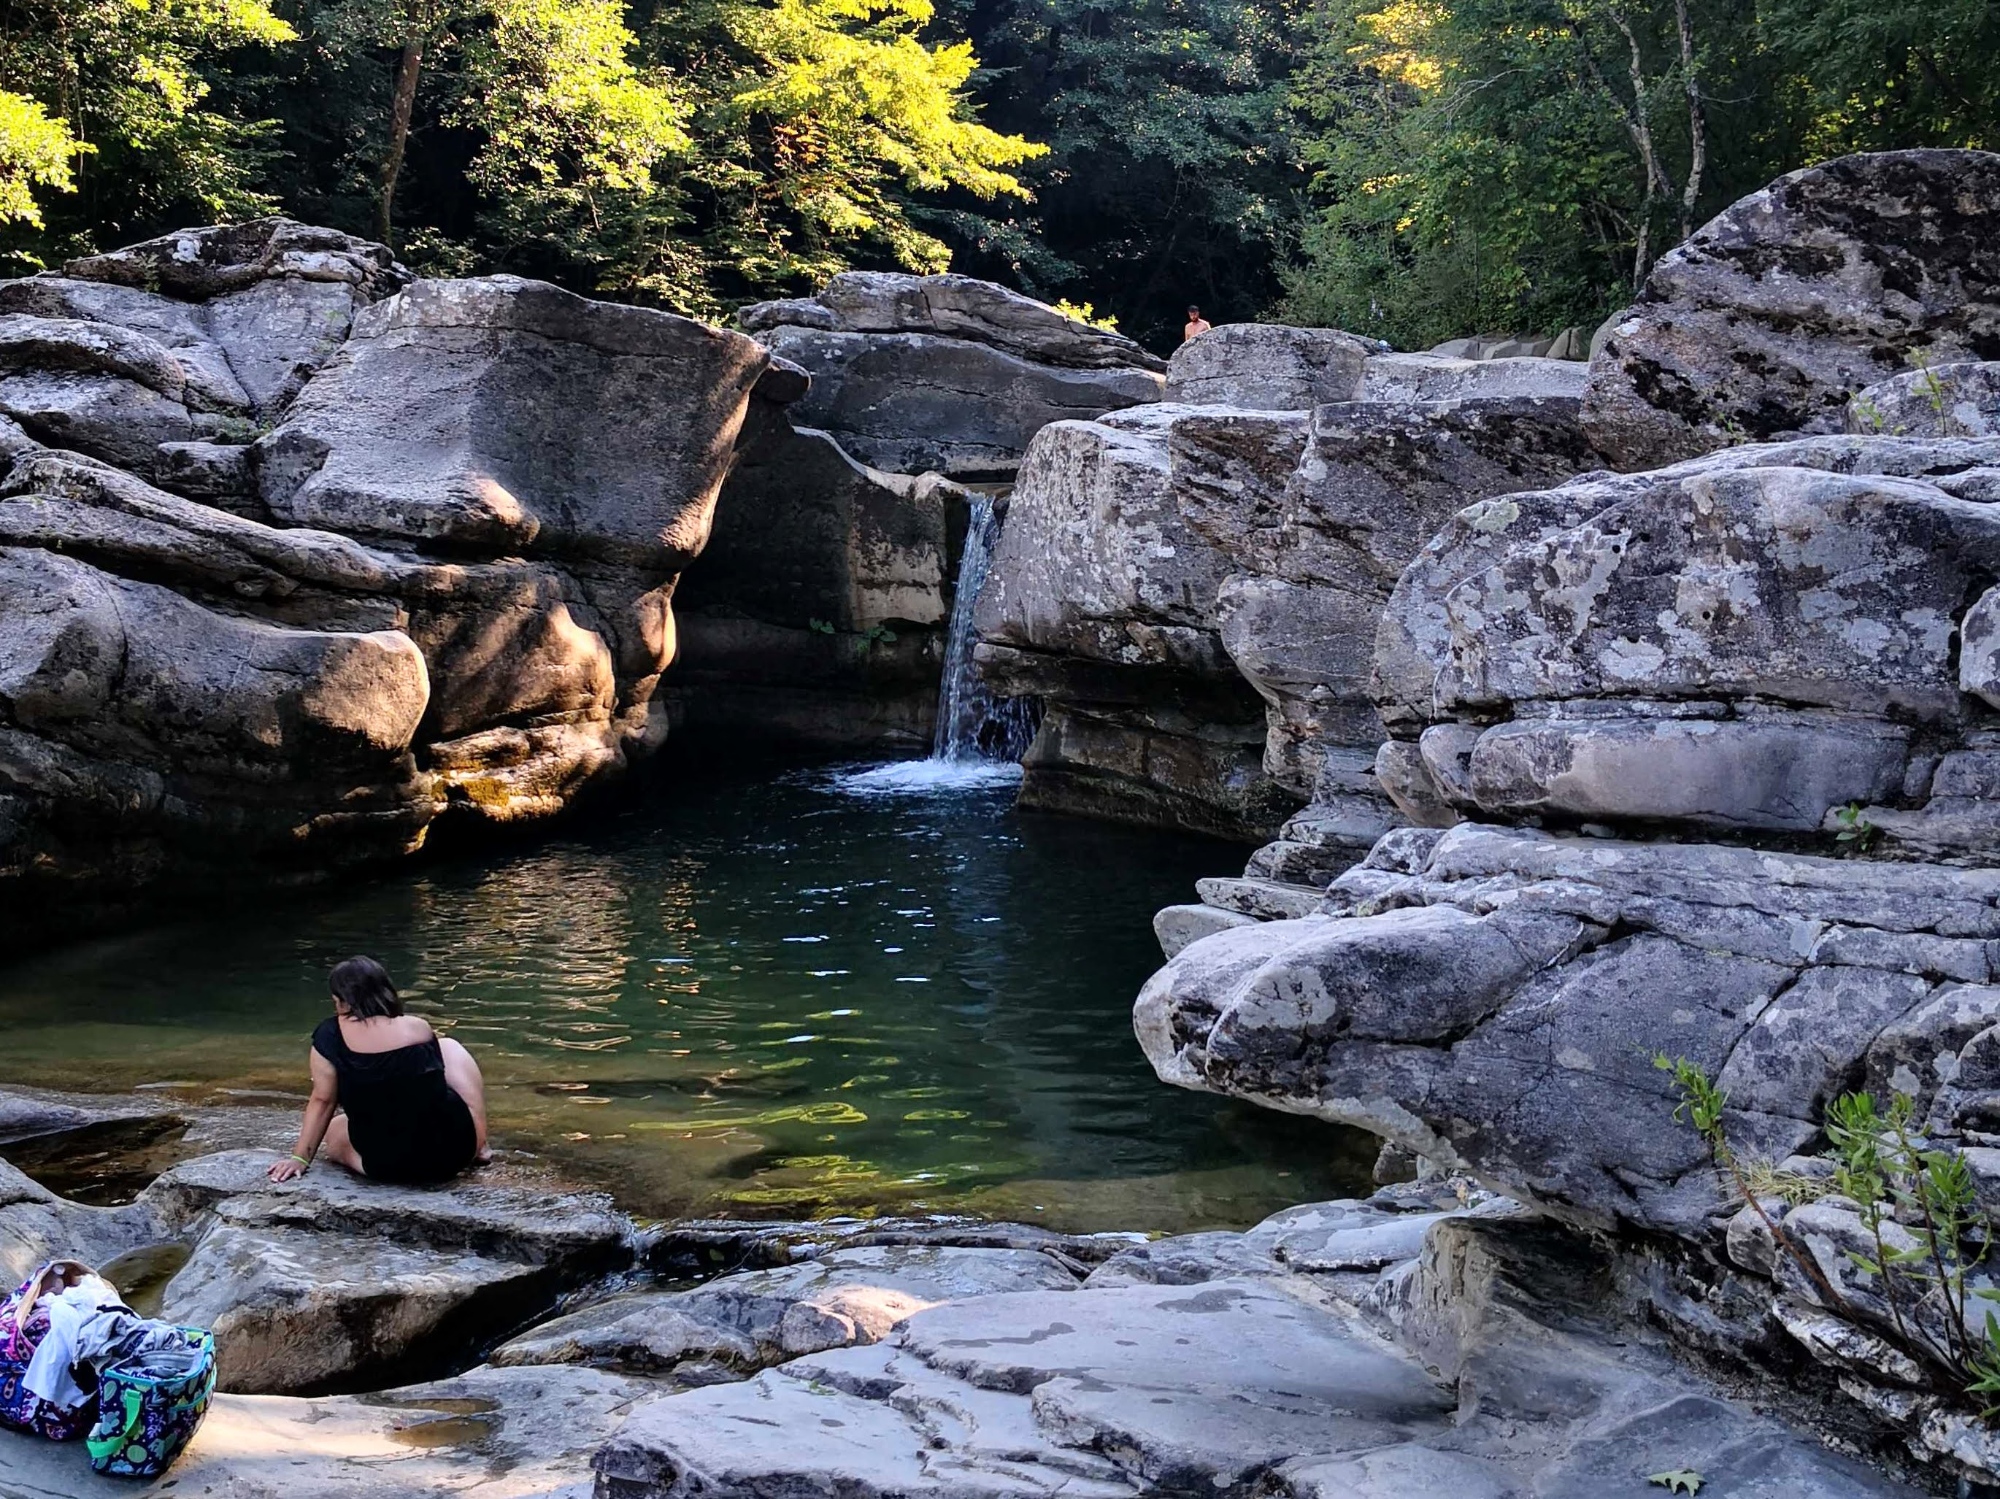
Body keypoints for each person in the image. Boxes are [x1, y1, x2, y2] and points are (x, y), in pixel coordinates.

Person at [267, 956, 490, 1185]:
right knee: (449, 1047)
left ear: (341, 1000)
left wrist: (299, 1158)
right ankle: (480, 1145)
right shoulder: (418, 1028)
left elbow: (323, 1100)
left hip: (389, 1167)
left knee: (336, 1129)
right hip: (455, 1156)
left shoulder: (330, 1035)